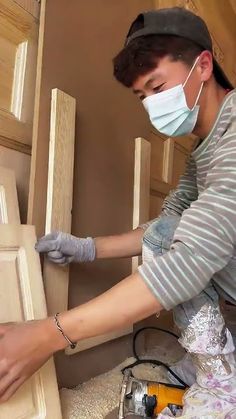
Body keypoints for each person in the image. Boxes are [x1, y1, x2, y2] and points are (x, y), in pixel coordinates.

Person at [0, 6, 236, 417]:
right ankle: (215, 361)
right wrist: (86, 248)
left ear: (203, 66)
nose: (151, 105)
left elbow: (190, 258)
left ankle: (222, 382)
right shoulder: (203, 151)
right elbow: (166, 226)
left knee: (181, 246)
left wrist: (50, 334)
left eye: (158, 86)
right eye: (143, 96)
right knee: (172, 231)